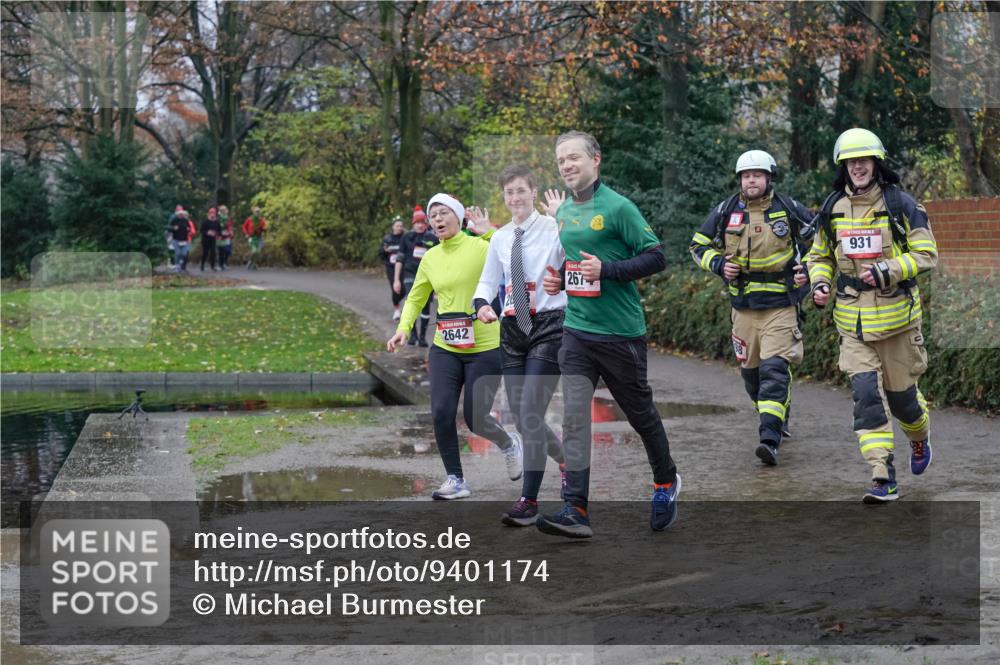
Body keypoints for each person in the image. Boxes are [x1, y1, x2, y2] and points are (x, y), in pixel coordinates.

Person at [538, 130, 680, 539]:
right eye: (561, 159)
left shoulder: (619, 208)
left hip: (620, 334)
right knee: (575, 418)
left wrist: (609, 271)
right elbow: (579, 267)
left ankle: (666, 481)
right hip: (577, 330)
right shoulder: (564, 213)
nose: (566, 165)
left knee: (640, 416)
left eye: (574, 158)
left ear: (595, 160)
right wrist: (561, 281)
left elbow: (656, 257)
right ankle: (575, 509)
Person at [805, 128, 937, 503]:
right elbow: (819, 257)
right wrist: (819, 285)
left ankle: (919, 438)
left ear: (875, 163)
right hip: (853, 324)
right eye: (851, 161)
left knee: (904, 403)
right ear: (843, 166)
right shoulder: (831, 207)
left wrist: (888, 270)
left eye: (863, 160)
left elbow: (927, 255)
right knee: (866, 397)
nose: (857, 167)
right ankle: (882, 473)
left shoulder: (901, 205)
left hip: (898, 322)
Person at [387, 193, 523, 500]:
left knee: (476, 417)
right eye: (433, 214)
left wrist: (488, 230)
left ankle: (508, 443)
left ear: (459, 217)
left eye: (443, 212)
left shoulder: (480, 247)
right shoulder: (431, 258)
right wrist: (403, 329)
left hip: (486, 345)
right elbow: (417, 297)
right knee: (441, 411)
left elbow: (515, 253)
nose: (436, 219)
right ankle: (456, 479)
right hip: (445, 345)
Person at [689, 150, 814, 466]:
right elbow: (697, 245)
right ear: (740, 180)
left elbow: (821, 239)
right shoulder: (725, 210)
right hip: (742, 308)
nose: (752, 180)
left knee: (774, 371)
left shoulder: (787, 208)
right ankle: (776, 413)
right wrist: (717, 263)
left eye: (757, 175)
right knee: (752, 378)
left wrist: (809, 268)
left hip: (781, 306)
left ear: (769, 177)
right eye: (746, 176)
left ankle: (769, 439)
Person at [471, 165, 568, 527]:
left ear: (533, 191)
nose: (515, 198)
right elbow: (486, 282)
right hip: (511, 329)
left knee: (529, 411)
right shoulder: (500, 238)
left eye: (521, 191)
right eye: (509, 193)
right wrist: (481, 305)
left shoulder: (552, 228)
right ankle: (565, 460)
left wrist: (564, 219)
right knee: (524, 415)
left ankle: (528, 500)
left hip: (549, 326)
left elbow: (574, 256)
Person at [394, 205, 438, 346]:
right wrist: (396, 280)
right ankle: (412, 335)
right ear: (413, 224)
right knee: (411, 301)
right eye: (417, 222)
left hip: (427, 277)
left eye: (422, 222)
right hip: (409, 274)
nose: (420, 225)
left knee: (425, 306)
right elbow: (399, 259)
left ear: (426, 224)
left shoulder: (432, 238)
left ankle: (422, 336)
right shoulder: (406, 238)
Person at [379, 216, 407, 320]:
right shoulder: (387, 239)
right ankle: (397, 310)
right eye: (397, 226)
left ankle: (402, 304)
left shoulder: (405, 237)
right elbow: (381, 254)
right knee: (395, 289)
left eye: (401, 226)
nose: (399, 228)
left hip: (404, 267)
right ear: (393, 227)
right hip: (391, 267)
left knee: (405, 288)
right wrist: (384, 251)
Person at [167, 208, 194, 272]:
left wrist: (188, 230)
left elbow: (189, 228)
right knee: (178, 253)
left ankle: (181, 262)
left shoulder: (185, 220)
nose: (181, 215)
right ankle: (177, 266)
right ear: (177, 214)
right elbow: (168, 228)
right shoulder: (174, 220)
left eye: (182, 214)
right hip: (176, 239)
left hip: (184, 240)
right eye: (180, 214)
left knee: (184, 254)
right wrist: (173, 228)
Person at [200, 207, 221, 271]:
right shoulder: (205, 222)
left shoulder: (216, 222)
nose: (212, 214)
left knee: (213, 252)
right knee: (205, 253)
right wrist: (207, 232)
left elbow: (219, 229)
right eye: (211, 213)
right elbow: (201, 230)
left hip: (213, 239)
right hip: (205, 239)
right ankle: (202, 264)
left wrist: (218, 235)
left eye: (214, 213)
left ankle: (212, 266)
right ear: (208, 214)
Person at [217, 205, 233, 270]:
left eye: (225, 210)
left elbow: (230, 226)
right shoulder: (218, 218)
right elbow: (216, 227)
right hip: (220, 236)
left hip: (227, 236)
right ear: (220, 211)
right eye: (222, 210)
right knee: (221, 251)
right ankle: (221, 264)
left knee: (228, 251)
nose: (224, 211)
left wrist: (231, 231)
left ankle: (225, 262)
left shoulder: (228, 218)